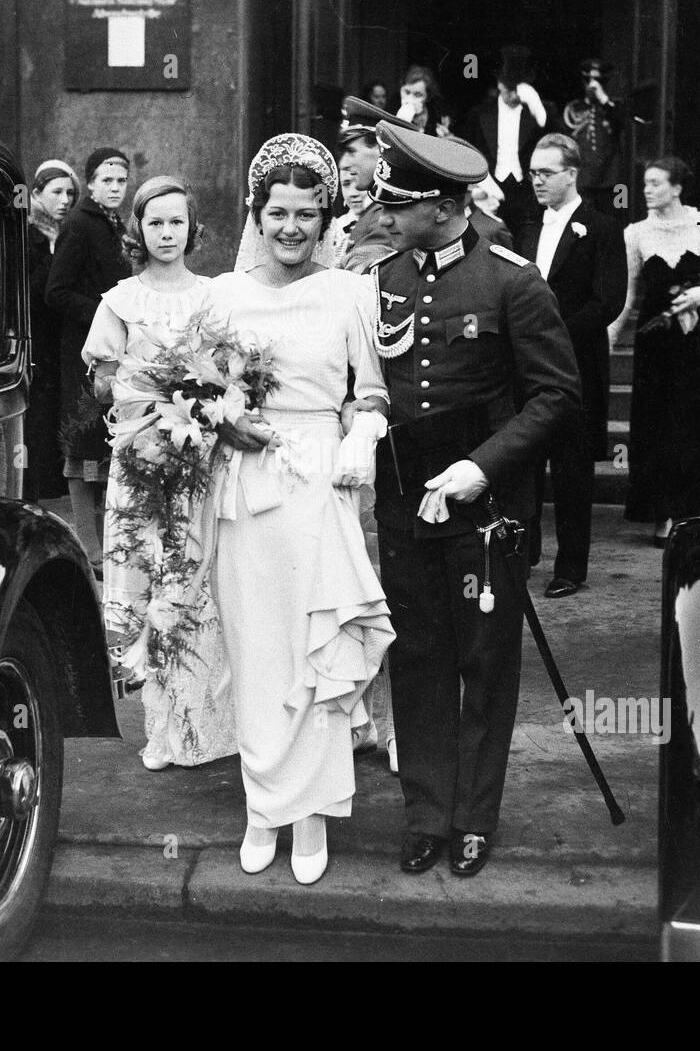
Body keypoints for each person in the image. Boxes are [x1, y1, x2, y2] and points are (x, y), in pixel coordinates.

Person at [357, 122, 579, 877]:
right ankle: (426, 813)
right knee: (417, 657)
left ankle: (474, 817)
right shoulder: (379, 279)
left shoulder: (513, 280)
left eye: (400, 203)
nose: (384, 215)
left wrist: (481, 469)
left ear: (445, 206)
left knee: (484, 663)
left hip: (486, 509)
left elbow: (556, 398)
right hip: (403, 504)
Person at [202, 133, 395, 886]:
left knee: (314, 653)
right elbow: (192, 389)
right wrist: (221, 419)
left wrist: (364, 432)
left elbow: (371, 388)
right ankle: (262, 807)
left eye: (306, 214)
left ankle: (311, 813)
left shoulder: (351, 291)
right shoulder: (221, 296)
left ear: (326, 219)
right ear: (256, 213)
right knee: (257, 650)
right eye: (277, 212)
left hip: (319, 481)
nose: (290, 227)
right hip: (245, 487)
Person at [81, 176, 237, 771]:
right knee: (149, 573)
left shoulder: (215, 294)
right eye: (155, 223)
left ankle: (205, 726)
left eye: (177, 222)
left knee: (194, 577)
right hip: (142, 454)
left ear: (192, 228)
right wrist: (147, 387)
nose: (166, 233)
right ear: (138, 231)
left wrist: (203, 396)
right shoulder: (120, 299)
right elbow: (100, 384)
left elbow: (229, 371)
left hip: (199, 453)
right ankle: (160, 731)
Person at [516, 133, 627, 594]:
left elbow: (608, 302)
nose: (536, 181)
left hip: (577, 364)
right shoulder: (526, 228)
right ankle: (524, 556)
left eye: (545, 173)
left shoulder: (600, 228)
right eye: (533, 173)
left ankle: (570, 567)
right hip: (526, 366)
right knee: (523, 463)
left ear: (572, 174)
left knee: (572, 469)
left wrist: (555, 338)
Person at [609, 157, 700, 544]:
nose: (646, 190)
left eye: (655, 183)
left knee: (691, 420)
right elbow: (629, 294)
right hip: (654, 341)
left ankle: (689, 508)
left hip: (693, 340)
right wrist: (611, 334)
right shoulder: (636, 233)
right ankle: (661, 512)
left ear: (677, 188)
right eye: (644, 183)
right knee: (655, 423)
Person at [46, 146, 132, 574]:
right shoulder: (80, 225)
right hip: (83, 351)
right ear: (92, 184)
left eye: (121, 181)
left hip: (111, 350)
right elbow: (55, 291)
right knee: (83, 447)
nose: (115, 188)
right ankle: (90, 548)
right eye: (107, 180)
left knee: (104, 442)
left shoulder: (113, 225)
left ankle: (105, 545)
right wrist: (104, 312)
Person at [24, 159, 79, 501]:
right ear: (36, 194)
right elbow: (33, 291)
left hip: (60, 335)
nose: (64, 200)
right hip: (35, 332)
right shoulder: (28, 233)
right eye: (56, 192)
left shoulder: (67, 233)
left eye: (70, 193)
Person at [460, 46, 551, 237]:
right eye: (508, 87)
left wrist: (537, 107)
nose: (512, 95)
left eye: (517, 89)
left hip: (526, 192)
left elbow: (559, 141)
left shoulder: (536, 111)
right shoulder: (480, 113)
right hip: (490, 191)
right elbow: (466, 151)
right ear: (499, 84)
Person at [333, 95, 416, 274]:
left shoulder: (388, 217)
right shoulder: (374, 213)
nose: (343, 164)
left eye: (351, 152)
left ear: (379, 151)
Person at [560, 58, 627, 221]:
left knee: (616, 220)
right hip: (584, 181)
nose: (593, 85)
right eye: (589, 80)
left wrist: (603, 98)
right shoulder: (573, 109)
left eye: (599, 81)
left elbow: (624, 121)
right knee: (583, 225)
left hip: (613, 182)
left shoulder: (614, 107)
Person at [397, 65, 452, 138]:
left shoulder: (437, 118)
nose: (409, 99)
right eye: (407, 92)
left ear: (427, 97)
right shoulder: (392, 108)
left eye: (417, 95)